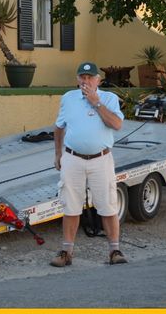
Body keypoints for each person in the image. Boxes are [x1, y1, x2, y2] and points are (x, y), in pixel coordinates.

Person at [51, 60, 127, 267]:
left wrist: (96, 102)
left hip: (100, 159)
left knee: (108, 205)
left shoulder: (109, 98)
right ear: (77, 79)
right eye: (82, 78)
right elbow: (59, 127)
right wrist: (58, 154)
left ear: (98, 80)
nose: (85, 81)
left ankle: (115, 250)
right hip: (73, 158)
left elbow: (117, 124)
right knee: (71, 206)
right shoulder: (69, 98)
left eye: (89, 78)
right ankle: (66, 252)